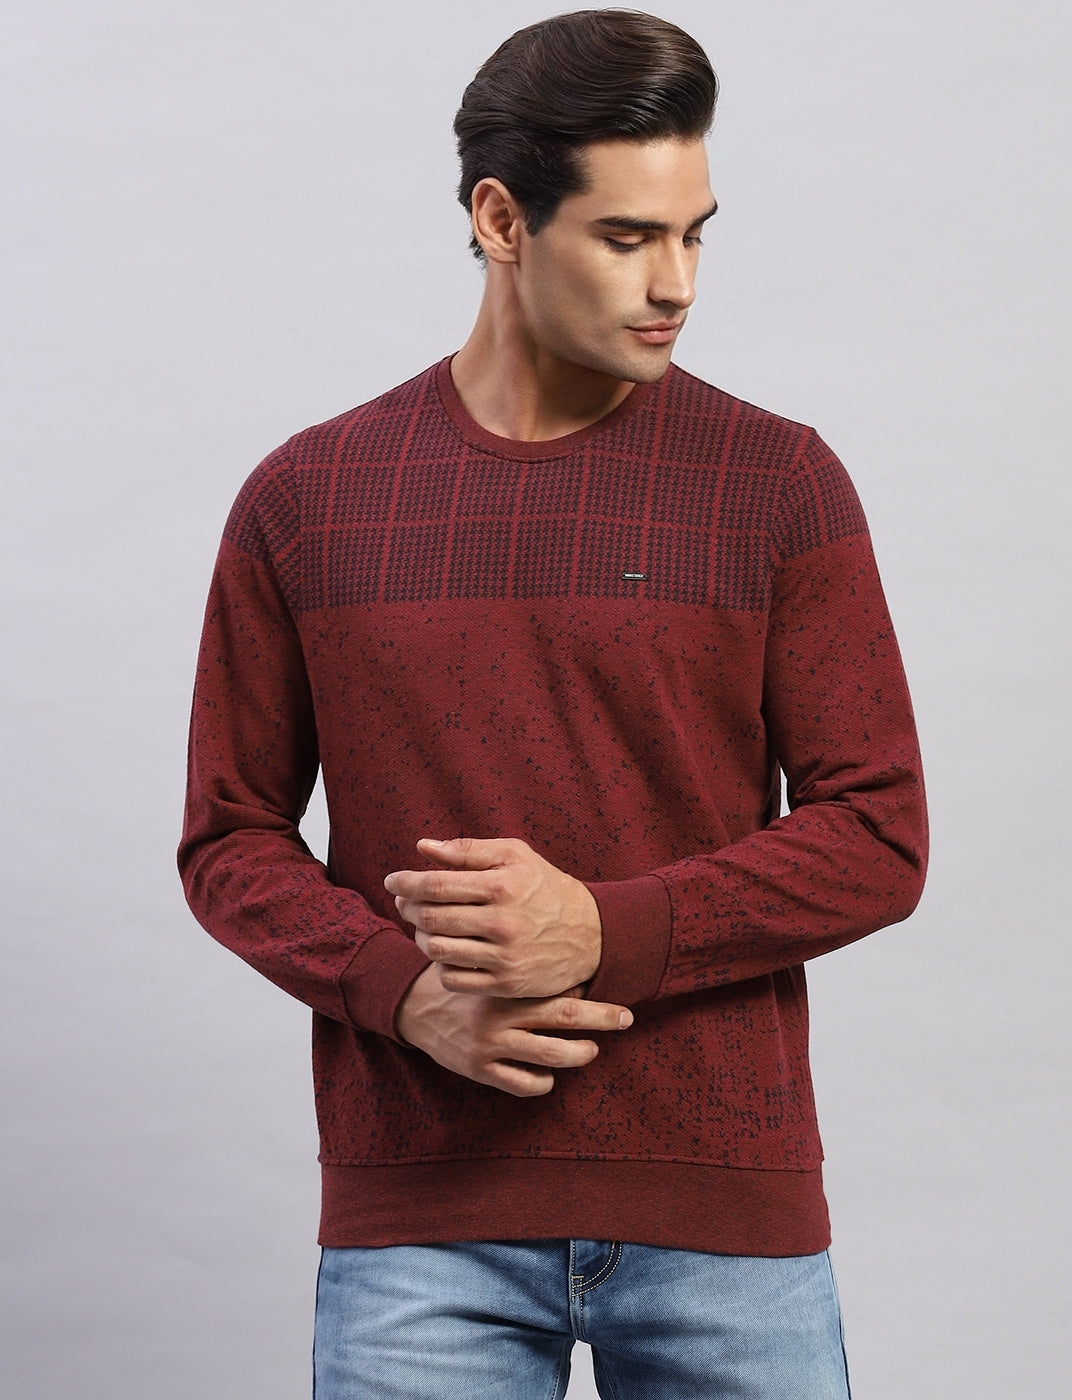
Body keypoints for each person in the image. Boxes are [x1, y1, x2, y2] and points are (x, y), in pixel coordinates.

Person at [179, 9, 928, 1397]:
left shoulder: (776, 484)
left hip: (725, 1219)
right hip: (423, 1223)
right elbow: (229, 838)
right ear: (502, 219)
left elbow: (879, 835)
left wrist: (606, 928)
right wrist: (404, 997)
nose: (676, 283)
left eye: (695, 233)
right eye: (628, 237)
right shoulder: (311, 499)